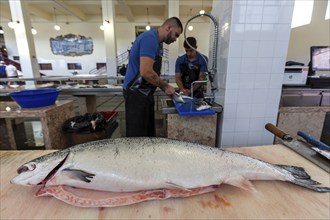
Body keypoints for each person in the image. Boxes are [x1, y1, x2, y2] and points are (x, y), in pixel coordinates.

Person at [123, 17, 183, 137]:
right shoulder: (149, 39)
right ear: (169, 27)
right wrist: (165, 87)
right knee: (138, 136)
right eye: (176, 35)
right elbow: (146, 72)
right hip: (135, 93)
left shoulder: (157, 43)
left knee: (146, 132)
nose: (176, 39)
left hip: (144, 93)